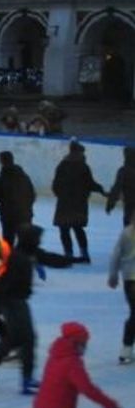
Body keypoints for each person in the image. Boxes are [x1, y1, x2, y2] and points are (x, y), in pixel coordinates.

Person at [0, 224, 39, 394]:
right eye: (37, 239)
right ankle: (26, 379)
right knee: (27, 338)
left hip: (14, 301)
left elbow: (46, 257)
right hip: (12, 302)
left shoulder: (24, 254)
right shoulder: (16, 258)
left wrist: (71, 260)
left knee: (14, 337)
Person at [52, 141, 105, 263]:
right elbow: (90, 183)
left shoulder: (62, 165)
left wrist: (61, 196)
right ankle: (84, 253)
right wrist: (100, 189)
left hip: (64, 203)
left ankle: (68, 254)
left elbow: (55, 185)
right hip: (79, 204)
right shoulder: (83, 167)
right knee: (78, 228)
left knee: (64, 229)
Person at [0, 151, 35, 246]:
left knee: (8, 242)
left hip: (9, 216)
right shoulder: (25, 177)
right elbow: (32, 195)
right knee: (24, 243)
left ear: (1, 162)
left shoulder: (1, 180)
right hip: (25, 215)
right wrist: (27, 208)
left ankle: (10, 258)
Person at [107, 218, 135, 365]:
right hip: (131, 279)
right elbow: (116, 255)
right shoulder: (126, 234)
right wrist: (113, 275)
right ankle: (126, 347)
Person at [106, 146, 135, 226]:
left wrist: (110, 204)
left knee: (129, 229)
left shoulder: (123, 171)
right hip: (129, 206)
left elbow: (117, 188)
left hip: (130, 206)